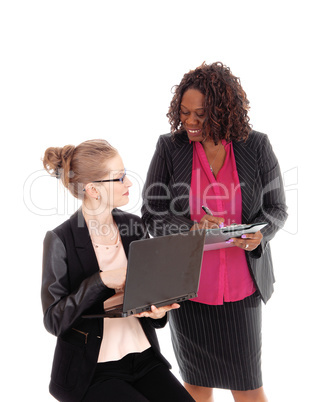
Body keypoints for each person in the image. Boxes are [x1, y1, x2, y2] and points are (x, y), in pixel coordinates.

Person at [141, 62, 288, 402]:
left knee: (249, 388)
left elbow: (276, 209)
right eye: (184, 113)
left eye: (201, 115)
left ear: (224, 111)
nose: (190, 122)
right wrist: (191, 227)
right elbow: (150, 213)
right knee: (195, 387)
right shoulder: (170, 148)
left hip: (242, 288)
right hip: (188, 292)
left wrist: (260, 234)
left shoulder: (256, 147)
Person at [41, 139, 195, 402]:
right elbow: (54, 320)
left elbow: (149, 294)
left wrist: (157, 309)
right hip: (93, 370)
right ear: (93, 189)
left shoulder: (134, 226)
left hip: (143, 357)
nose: (129, 183)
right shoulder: (60, 239)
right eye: (120, 178)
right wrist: (101, 281)